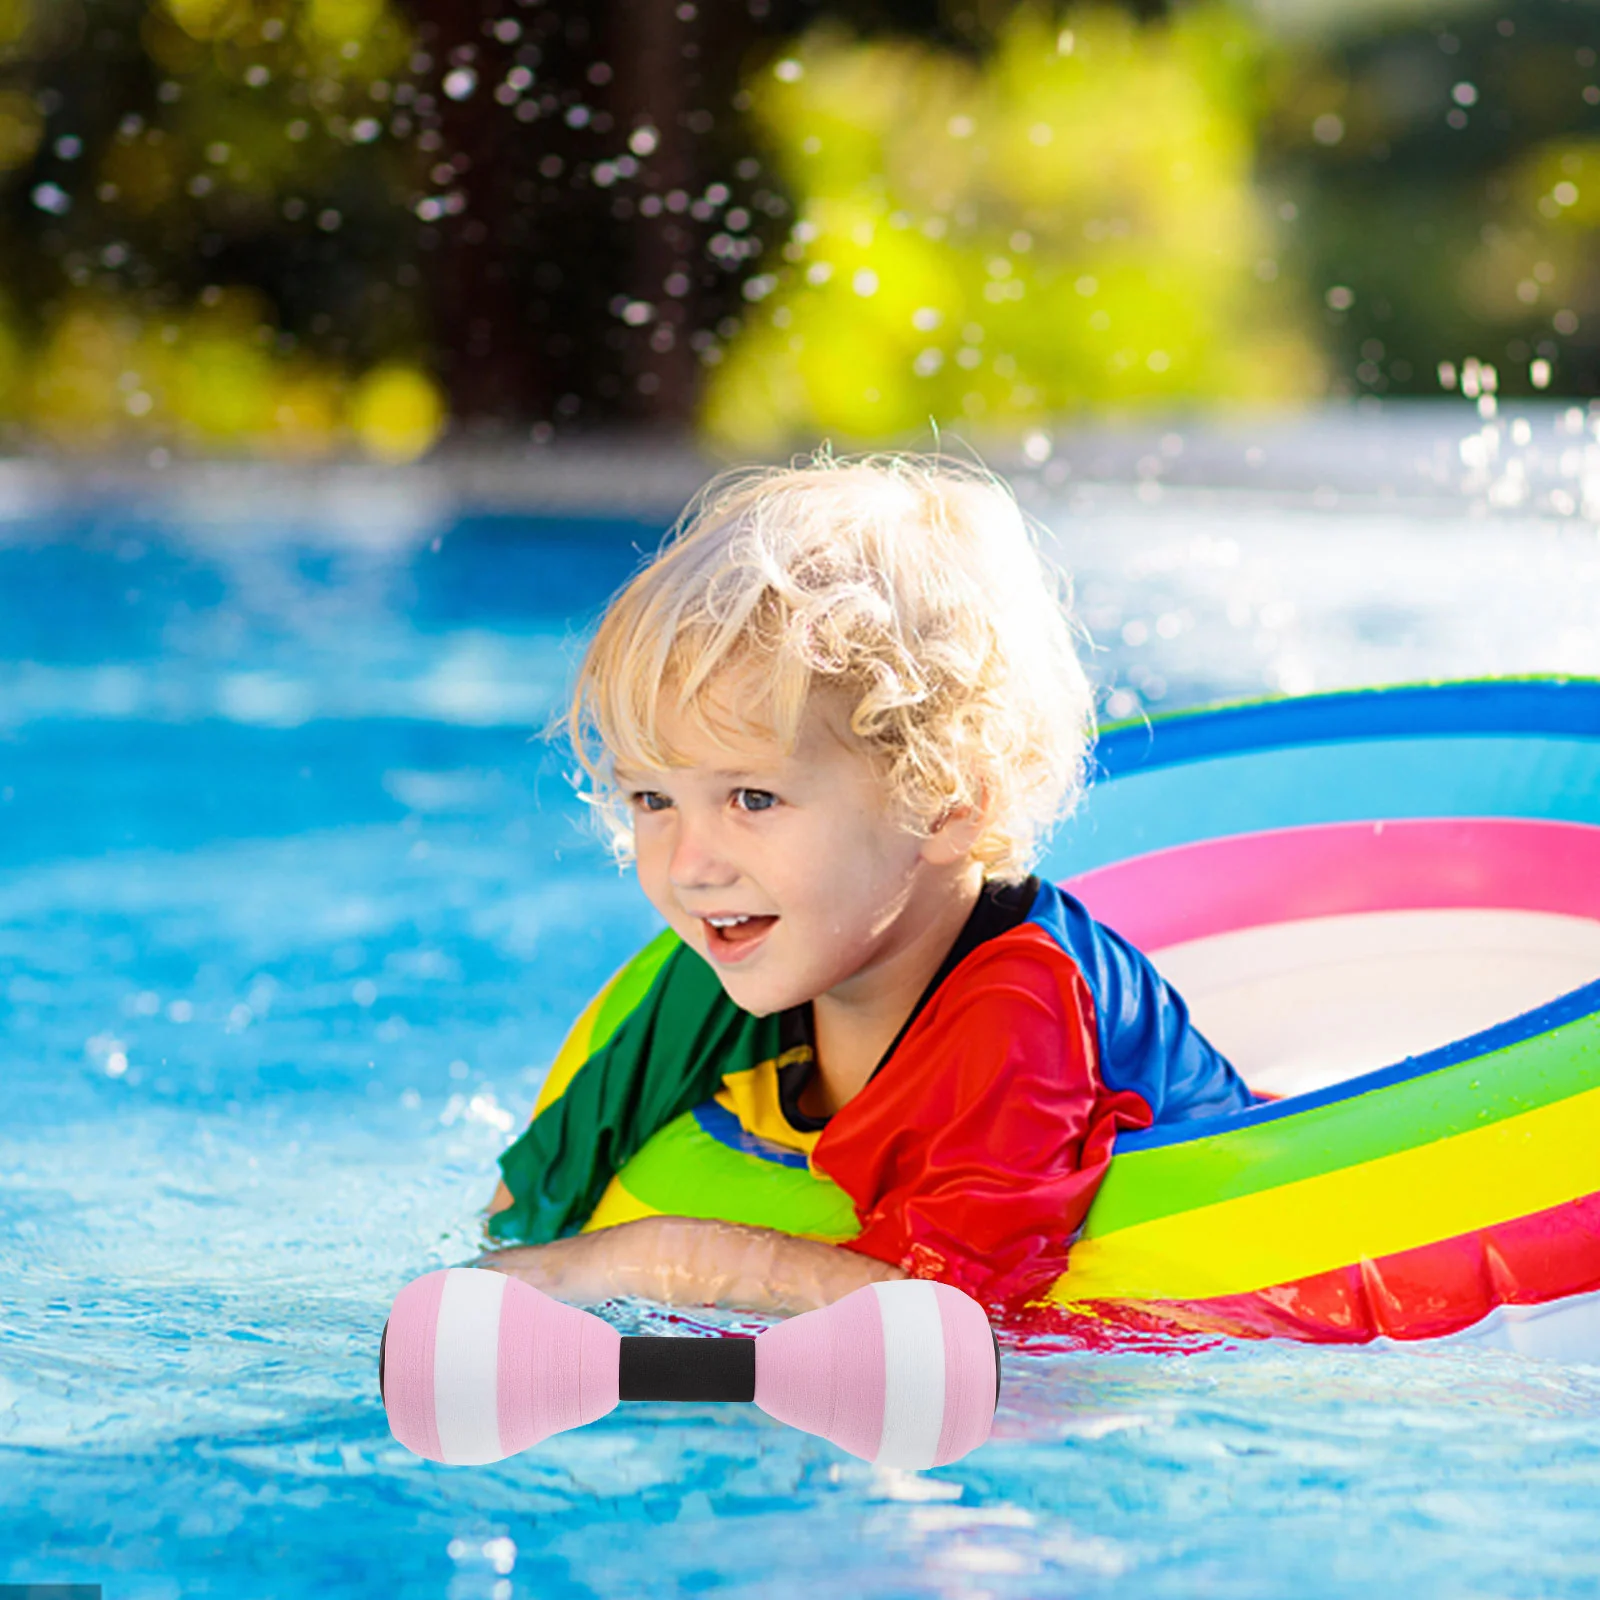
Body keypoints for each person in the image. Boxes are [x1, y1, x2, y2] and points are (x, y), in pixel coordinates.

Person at [473, 451, 1255, 1318]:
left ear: (947, 801)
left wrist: (655, 1257)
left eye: (753, 797)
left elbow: (944, 1324)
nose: (690, 865)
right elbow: (514, 1231)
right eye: (654, 798)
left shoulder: (1026, 1008)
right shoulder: (708, 974)